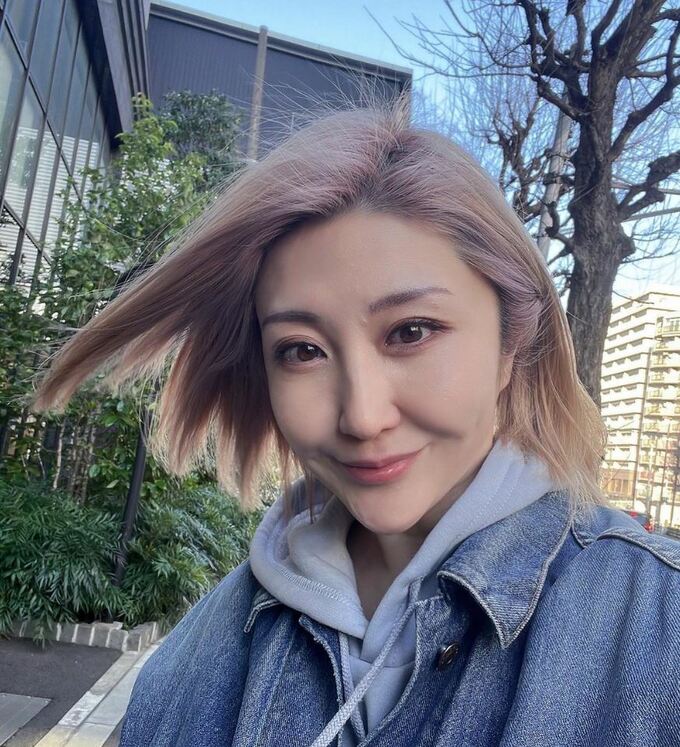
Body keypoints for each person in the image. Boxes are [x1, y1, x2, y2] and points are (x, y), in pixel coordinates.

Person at [33, 95, 680, 746]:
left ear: (511, 345)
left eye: (411, 331)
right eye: (301, 350)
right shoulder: (196, 663)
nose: (363, 417)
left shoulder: (657, 630)